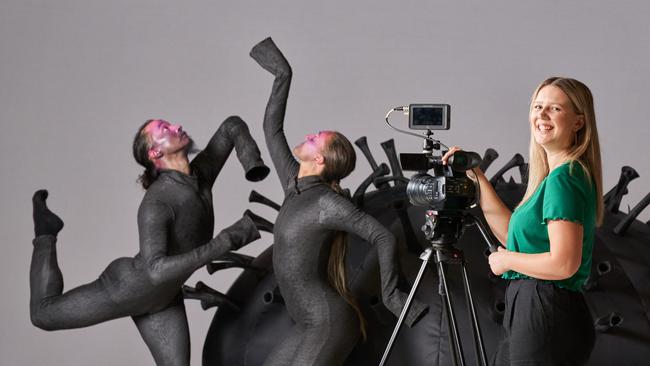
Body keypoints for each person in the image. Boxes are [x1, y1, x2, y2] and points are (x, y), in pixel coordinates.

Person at [30, 116, 270, 365]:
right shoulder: (157, 204)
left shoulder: (201, 174)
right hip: (128, 288)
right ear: (155, 151)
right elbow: (155, 271)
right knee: (42, 314)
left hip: (164, 299)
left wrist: (252, 163)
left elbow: (231, 126)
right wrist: (225, 241)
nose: (176, 127)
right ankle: (46, 234)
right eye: (165, 129)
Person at [250, 37, 427, 366]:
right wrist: (282, 76)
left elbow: (383, 236)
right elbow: (271, 130)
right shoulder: (295, 186)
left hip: (328, 323)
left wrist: (392, 297)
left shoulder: (328, 204)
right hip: (306, 324)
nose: (310, 135)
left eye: (317, 139)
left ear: (319, 160)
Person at [443, 77, 601, 365]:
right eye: (537, 106)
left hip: (544, 305)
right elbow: (512, 237)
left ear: (578, 122)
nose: (541, 115)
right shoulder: (557, 177)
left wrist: (508, 262)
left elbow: (564, 263)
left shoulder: (563, 179)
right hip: (535, 305)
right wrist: (478, 178)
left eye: (554, 109)